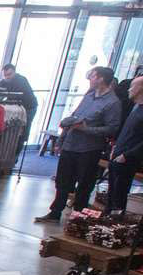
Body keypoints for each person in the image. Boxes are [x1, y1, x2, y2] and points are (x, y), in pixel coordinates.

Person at [36, 66, 123, 224]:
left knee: (84, 183)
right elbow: (75, 115)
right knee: (62, 181)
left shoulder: (112, 103)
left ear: (101, 79)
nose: (90, 78)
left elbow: (112, 128)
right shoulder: (89, 95)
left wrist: (86, 129)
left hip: (89, 149)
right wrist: (63, 136)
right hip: (71, 144)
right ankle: (55, 212)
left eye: (93, 76)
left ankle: (78, 215)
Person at [104, 76, 143, 215]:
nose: (129, 89)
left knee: (120, 192)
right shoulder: (136, 106)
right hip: (119, 152)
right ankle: (105, 220)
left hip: (128, 157)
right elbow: (127, 130)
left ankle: (114, 224)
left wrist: (127, 155)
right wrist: (116, 148)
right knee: (111, 191)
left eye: (132, 86)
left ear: (140, 88)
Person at [0, 64, 38, 139]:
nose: (7, 77)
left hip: (29, 107)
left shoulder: (21, 80)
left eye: (9, 74)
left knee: (23, 131)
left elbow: (15, 96)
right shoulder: (5, 81)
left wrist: (3, 101)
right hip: (19, 106)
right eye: (5, 75)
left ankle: (18, 148)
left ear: (14, 72)